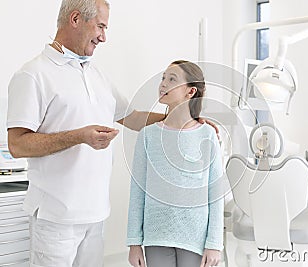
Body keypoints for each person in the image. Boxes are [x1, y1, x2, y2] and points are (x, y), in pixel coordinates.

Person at [6, 1, 213, 266]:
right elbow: (18, 144)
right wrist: (79, 136)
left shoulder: (97, 76)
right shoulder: (33, 74)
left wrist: (186, 121)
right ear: (76, 19)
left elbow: (133, 117)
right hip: (55, 218)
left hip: (95, 216)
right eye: (101, 26)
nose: (104, 37)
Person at [127, 60, 224, 267]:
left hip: (195, 238)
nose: (163, 84)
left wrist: (214, 243)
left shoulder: (207, 135)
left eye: (172, 79)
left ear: (190, 92)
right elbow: (137, 191)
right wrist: (134, 242)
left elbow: (215, 193)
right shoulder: (148, 135)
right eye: (163, 78)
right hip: (156, 236)